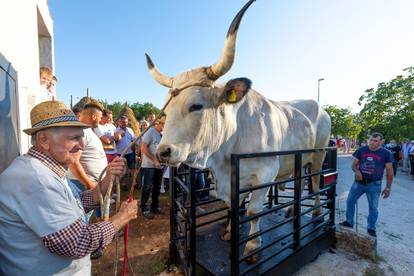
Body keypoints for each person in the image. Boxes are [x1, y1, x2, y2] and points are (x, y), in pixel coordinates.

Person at [0, 101, 137, 275]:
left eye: (81, 137)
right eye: (74, 138)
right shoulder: (36, 181)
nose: (82, 145)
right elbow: (76, 243)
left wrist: (107, 179)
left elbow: (76, 203)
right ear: (44, 140)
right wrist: (122, 218)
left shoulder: (45, 170)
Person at [340, 133, 393, 237]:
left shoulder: (386, 153)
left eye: (376, 141)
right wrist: (357, 171)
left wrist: (388, 188)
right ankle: (349, 221)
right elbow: (354, 165)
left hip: (374, 184)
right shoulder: (362, 150)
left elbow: (390, 172)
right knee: (350, 201)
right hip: (359, 183)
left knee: (373, 207)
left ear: (381, 142)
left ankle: (371, 228)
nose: (372, 142)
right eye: (371, 140)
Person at [140, 117, 165, 219]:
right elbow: (143, 147)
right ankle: (145, 208)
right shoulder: (150, 131)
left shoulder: (161, 134)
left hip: (159, 165)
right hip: (149, 165)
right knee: (147, 187)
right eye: (164, 125)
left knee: (157, 187)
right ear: (159, 123)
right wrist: (154, 160)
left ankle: (155, 206)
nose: (165, 127)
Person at [114, 116, 137, 190]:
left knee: (133, 169)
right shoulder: (116, 130)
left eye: (126, 122)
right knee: (122, 170)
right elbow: (115, 141)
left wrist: (134, 148)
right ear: (119, 122)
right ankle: (120, 185)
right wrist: (119, 137)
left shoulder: (130, 130)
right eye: (123, 122)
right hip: (120, 153)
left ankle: (133, 184)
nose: (125, 123)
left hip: (130, 153)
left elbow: (133, 140)